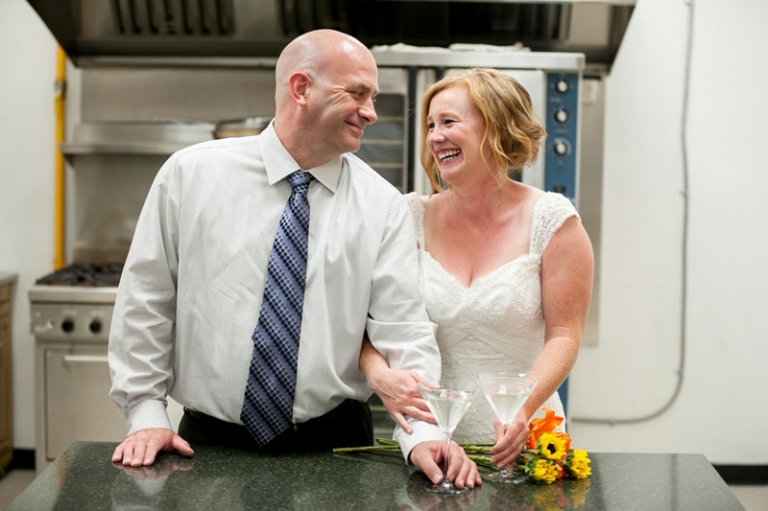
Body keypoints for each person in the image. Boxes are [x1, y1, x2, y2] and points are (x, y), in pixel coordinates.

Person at [108, 29, 480, 490]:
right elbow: (146, 301)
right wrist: (146, 412)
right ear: (301, 88)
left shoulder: (382, 204)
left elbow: (402, 329)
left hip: (338, 448)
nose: (371, 112)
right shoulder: (190, 175)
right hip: (205, 446)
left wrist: (425, 434)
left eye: (374, 96)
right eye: (358, 93)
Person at [360, 68, 594, 473]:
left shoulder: (553, 221)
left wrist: (522, 408)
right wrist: (378, 375)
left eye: (449, 122)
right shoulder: (408, 217)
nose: (434, 137)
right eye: (431, 125)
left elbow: (564, 335)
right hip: (429, 444)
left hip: (523, 446)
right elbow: (368, 323)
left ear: (497, 128)